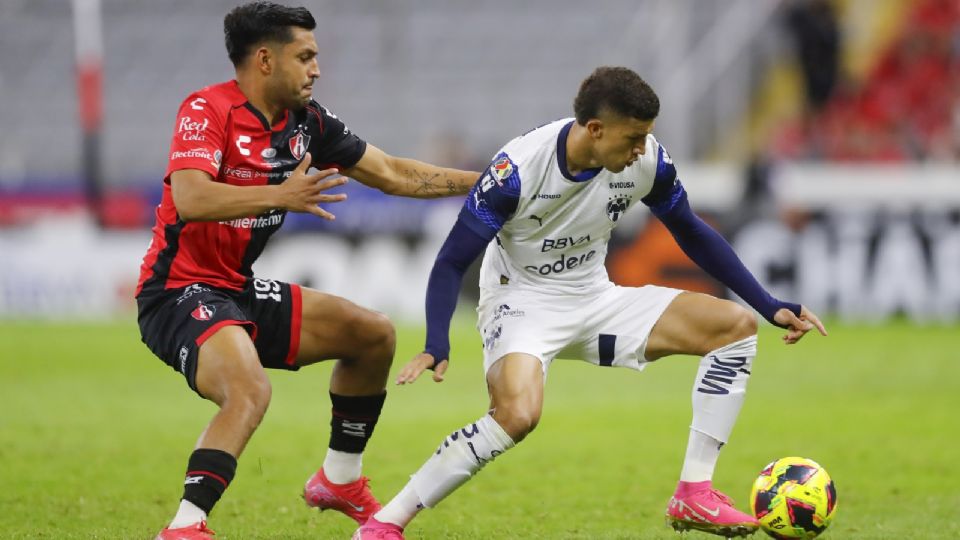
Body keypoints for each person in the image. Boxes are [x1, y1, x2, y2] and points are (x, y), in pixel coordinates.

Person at [353, 66, 827, 539]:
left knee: (735, 327)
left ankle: (694, 493)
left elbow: (692, 231)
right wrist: (438, 341)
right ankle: (386, 523)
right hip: (520, 304)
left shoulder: (647, 160)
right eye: (633, 137)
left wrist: (767, 304)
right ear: (595, 130)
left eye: (646, 137)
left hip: (594, 296)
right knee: (517, 416)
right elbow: (452, 261)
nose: (642, 148)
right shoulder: (517, 170)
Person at [134, 3, 478, 539]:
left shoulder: (308, 123)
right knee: (248, 388)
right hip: (177, 290)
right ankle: (185, 526)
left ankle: (339, 479)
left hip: (236, 289)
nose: (317, 68)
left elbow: (390, 173)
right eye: (307, 56)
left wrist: (492, 182)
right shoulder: (207, 110)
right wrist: (280, 194)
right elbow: (192, 196)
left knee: (371, 335)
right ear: (266, 59)